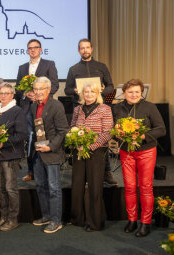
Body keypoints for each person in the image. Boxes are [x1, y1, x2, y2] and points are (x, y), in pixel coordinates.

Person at [112, 79, 166, 237]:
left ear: (141, 93)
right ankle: (132, 219)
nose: (134, 95)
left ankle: (145, 222)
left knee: (145, 187)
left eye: (137, 92)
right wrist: (119, 134)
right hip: (126, 152)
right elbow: (114, 128)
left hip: (146, 151)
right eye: (130, 92)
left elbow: (161, 129)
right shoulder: (117, 107)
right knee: (129, 187)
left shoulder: (150, 106)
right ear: (124, 93)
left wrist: (143, 135)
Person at [64, 38, 117, 187]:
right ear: (79, 51)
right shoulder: (73, 69)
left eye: (87, 47)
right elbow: (66, 89)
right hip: (81, 108)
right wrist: (74, 91)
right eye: (82, 48)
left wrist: (101, 90)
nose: (85, 50)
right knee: (80, 139)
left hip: (99, 108)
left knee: (101, 140)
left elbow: (111, 87)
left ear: (92, 49)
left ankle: (106, 172)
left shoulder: (101, 66)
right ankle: (83, 175)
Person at [69, 83, 113, 232]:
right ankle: (77, 219)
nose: (88, 94)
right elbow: (72, 128)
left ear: (97, 93)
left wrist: (91, 146)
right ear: (82, 94)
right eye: (86, 92)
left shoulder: (105, 109)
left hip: (97, 152)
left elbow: (108, 132)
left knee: (95, 187)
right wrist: (76, 142)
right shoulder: (77, 109)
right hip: (79, 151)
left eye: (92, 92)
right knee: (77, 185)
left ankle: (96, 222)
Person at [16, 39, 59, 182]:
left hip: (45, 107)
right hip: (28, 108)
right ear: (27, 51)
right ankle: (31, 171)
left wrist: (40, 95)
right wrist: (26, 93)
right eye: (30, 48)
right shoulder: (22, 67)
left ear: (41, 49)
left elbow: (54, 84)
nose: (33, 50)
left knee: (45, 137)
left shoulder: (49, 64)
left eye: (35, 47)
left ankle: (46, 170)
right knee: (30, 139)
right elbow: (18, 87)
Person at [30, 77, 68, 233]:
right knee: (40, 186)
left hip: (52, 153)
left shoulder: (56, 105)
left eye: (41, 89)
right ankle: (46, 215)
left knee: (54, 188)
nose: (38, 92)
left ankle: (56, 220)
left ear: (48, 89)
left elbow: (63, 130)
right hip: (38, 152)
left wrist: (50, 147)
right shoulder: (33, 106)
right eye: (36, 89)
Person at [0, 82, 27, 231]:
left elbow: (21, 135)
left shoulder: (18, 111)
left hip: (11, 155)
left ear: (12, 95)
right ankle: (3, 217)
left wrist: (3, 144)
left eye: (7, 93)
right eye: (1, 93)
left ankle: (13, 219)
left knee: (10, 188)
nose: (3, 96)